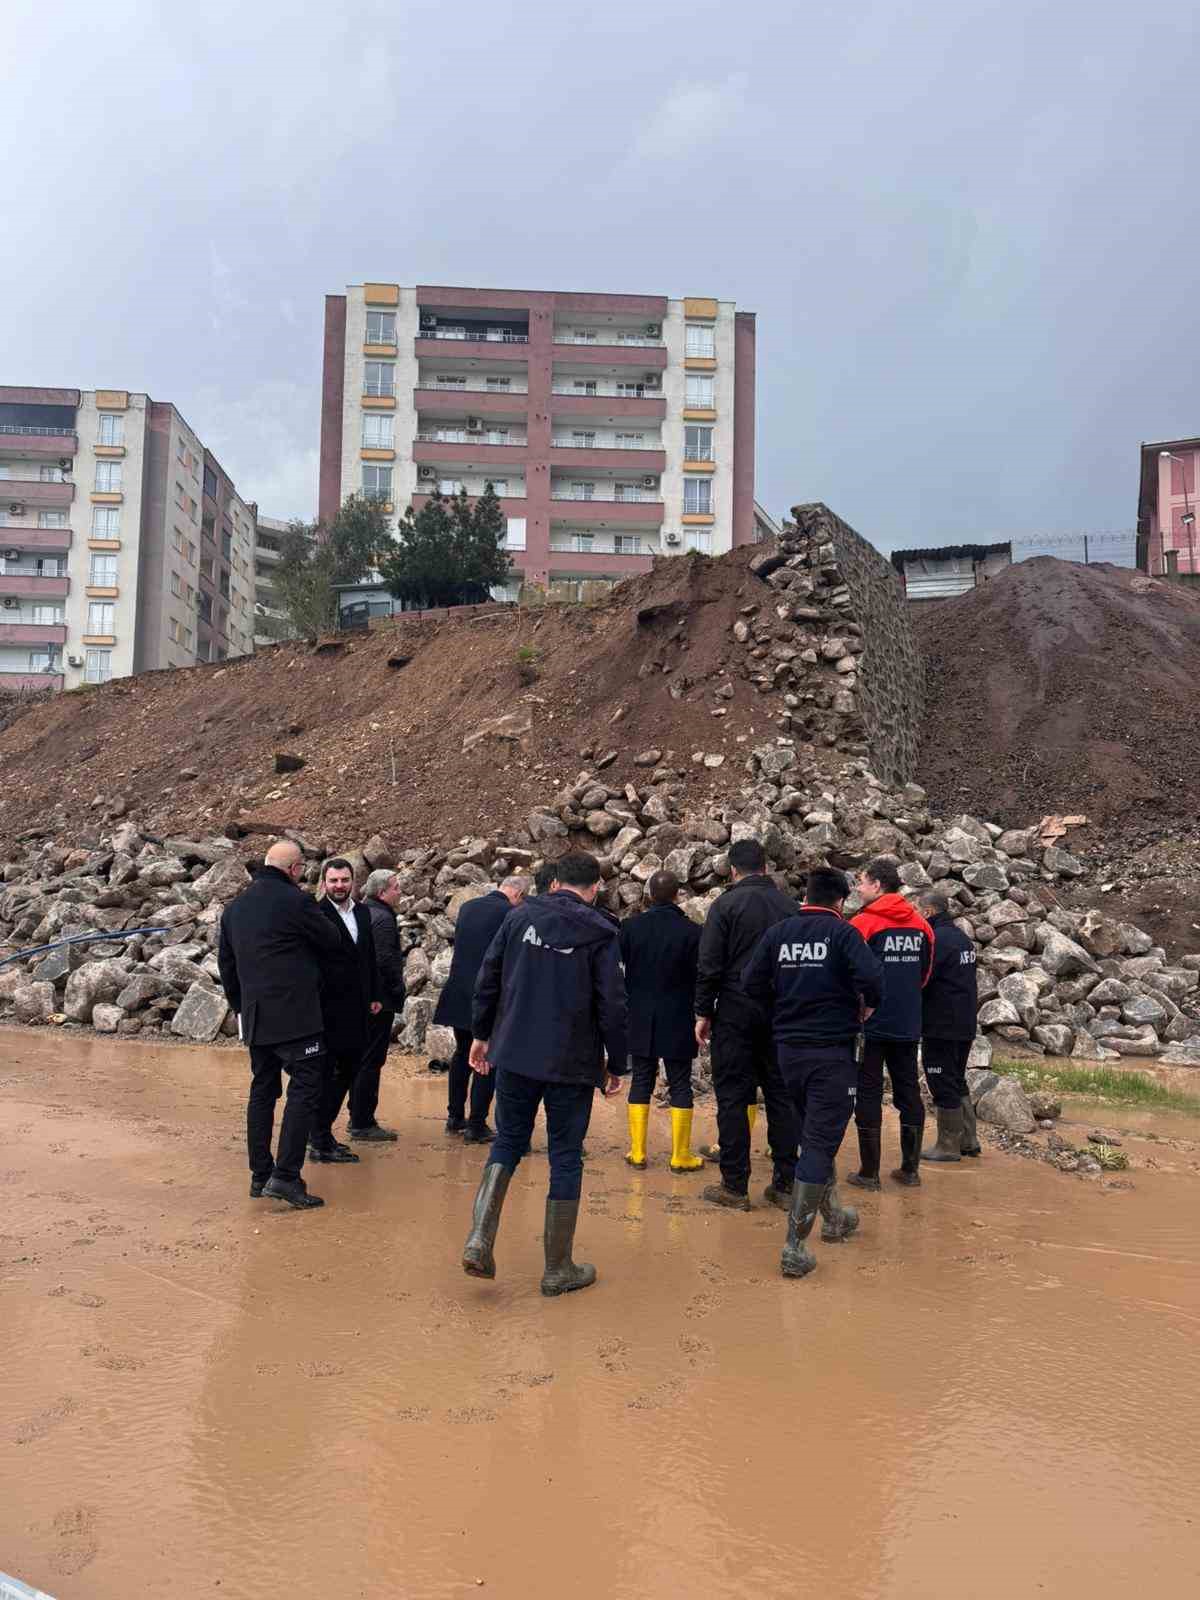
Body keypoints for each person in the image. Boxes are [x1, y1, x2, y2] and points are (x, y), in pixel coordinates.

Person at [461, 852, 627, 1296]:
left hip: (515, 1051)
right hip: (571, 1061)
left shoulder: (520, 917)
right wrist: (618, 1062)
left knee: (508, 1141)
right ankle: (558, 1268)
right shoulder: (602, 931)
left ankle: (480, 1238)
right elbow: (612, 1002)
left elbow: (489, 976)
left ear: (555, 882)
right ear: (594, 887)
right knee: (565, 1155)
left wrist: (481, 1034)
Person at [743, 868, 884, 1278]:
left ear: (806, 895)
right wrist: (867, 1004)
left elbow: (751, 982)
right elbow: (873, 978)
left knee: (814, 1134)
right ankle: (794, 1245)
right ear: (840, 902)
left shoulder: (779, 934)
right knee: (820, 1143)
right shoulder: (843, 935)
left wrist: (781, 1009)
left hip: (788, 1052)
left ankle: (835, 1215)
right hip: (831, 1054)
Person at [216, 840, 343, 1210]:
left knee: (263, 1090)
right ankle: (286, 1177)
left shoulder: (235, 908)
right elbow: (332, 940)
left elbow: (228, 965)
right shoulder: (296, 900)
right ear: (295, 869)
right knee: (305, 1088)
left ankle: (260, 1174)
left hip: (255, 1017)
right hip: (297, 1017)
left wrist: (241, 1006)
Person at [694, 838, 800, 1211]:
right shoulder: (790, 907)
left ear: (733, 871)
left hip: (736, 1013)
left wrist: (703, 1012)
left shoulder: (725, 905)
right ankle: (786, 1184)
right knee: (782, 1097)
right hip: (782, 1014)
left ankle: (735, 1185)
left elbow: (709, 965)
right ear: (766, 868)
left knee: (733, 1098)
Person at [848, 857, 934, 1190]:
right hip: (908, 1021)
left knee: (868, 1094)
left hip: (870, 1022)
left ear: (877, 886)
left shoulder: (863, 924)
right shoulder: (921, 924)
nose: (858, 887)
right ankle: (910, 1170)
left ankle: (869, 1173)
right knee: (908, 1091)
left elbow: (849, 974)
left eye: (862, 882)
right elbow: (925, 974)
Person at [618, 869, 704, 1173]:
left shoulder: (629, 928)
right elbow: (702, 975)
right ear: (678, 895)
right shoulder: (694, 932)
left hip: (640, 1014)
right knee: (680, 1083)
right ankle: (680, 1156)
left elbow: (619, 971)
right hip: (679, 1016)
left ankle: (638, 1151)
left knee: (641, 1078)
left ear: (649, 894)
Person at [433, 875, 530, 1141]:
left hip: (458, 992)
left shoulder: (468, 907)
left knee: (462, 1054)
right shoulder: (510, 914)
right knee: (486, 1059)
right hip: (487, 997)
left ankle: (454, 1117)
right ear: (519, 895)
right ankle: (476, 1124)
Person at [307, 858, 382, 1164]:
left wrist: (376, 993)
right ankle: (319, 1138)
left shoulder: (363, 912)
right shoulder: (315, 914)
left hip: (359, 1008)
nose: (339, 886)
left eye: (345, 880)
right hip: (327, 1011)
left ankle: (322, 1133)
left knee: (350, 1071)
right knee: (327, 1075)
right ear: (324, 883)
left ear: (354, 881)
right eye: (334, 881)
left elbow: (369, 955)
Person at [916, 889, 981, 1161]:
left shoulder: (935, 939)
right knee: (955, 1077)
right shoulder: (961, 938)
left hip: (941, 1023)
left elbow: (922, 978)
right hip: (964, 1021)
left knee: (940, 1078)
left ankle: (948, 1145)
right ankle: (968, 1139)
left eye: (919, 911)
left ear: (929, 912)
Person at [348, 869, 407, 1142]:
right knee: (371, 1061)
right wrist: (397, 990)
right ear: (382, 892)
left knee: (361, 1059)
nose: (400, 892)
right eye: (396, 887)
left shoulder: (362, 912)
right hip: (378, 1001)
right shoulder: (382, 919)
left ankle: (356, 1115)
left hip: (361, 998)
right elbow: (386, 962)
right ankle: (362, 1122)